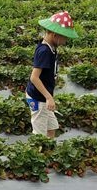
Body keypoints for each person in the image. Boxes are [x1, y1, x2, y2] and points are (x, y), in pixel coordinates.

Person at [25, 10, 79, 138]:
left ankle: (49, 152)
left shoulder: (52, 48)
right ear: (55, 35)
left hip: (44, 97)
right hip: (39, 98)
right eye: (64, 37)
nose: (65, 41)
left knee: (52, 128)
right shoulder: (44, 51)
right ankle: (38, 155)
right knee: (40, 134)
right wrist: (49, 97)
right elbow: (34, 77)